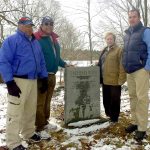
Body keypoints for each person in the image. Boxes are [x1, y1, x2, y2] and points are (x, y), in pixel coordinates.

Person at [0, 17, 48, 150]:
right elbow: (3, 62)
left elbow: (41, 61)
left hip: (33, 80)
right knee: (15, 112)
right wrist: (9, 82)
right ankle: (13, 142)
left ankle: (28, 133)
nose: (29, 28)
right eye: (26, 26)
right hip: (18, 81)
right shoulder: (12, 40)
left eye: (31, 26)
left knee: (30, 109)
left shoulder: (35, 42)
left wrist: (43, 77)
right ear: (19, 26)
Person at [34, 16, 68, 138]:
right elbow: (35, 59)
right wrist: (40, 75)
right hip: (41, 76)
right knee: (39, 102)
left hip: (52, 75)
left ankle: (45, 122)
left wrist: (66, 65)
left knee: (47, 101)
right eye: (46, 24)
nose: (49, 26)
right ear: (41, 25)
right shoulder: (36, 38)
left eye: (51, 24)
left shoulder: (53, 39)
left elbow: (56, 58)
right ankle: (39, 127)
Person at [122, 9, 150, 141]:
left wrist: (147, 68)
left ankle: (142, 128)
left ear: (139, 18)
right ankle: (135, 122)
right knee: (132, 97)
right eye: (129, 17)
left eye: (134, 17)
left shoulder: (145, 31)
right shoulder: (127, 34)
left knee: (141, 98)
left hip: (140, 70)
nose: (131, 19)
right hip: (130, 71)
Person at [98, 32, 126, 123]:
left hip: (114, 80)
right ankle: (109, 115)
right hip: (104, 79)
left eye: (111, 39)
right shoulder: (104, 50)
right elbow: (100, 63)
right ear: (105, 40)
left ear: (114, 40)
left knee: (115, 100)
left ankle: (114, 118)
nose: (109, 40)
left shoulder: (119, 50)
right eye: (107, 39)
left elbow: (122, 65)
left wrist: (121, 79)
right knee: (106, 99)